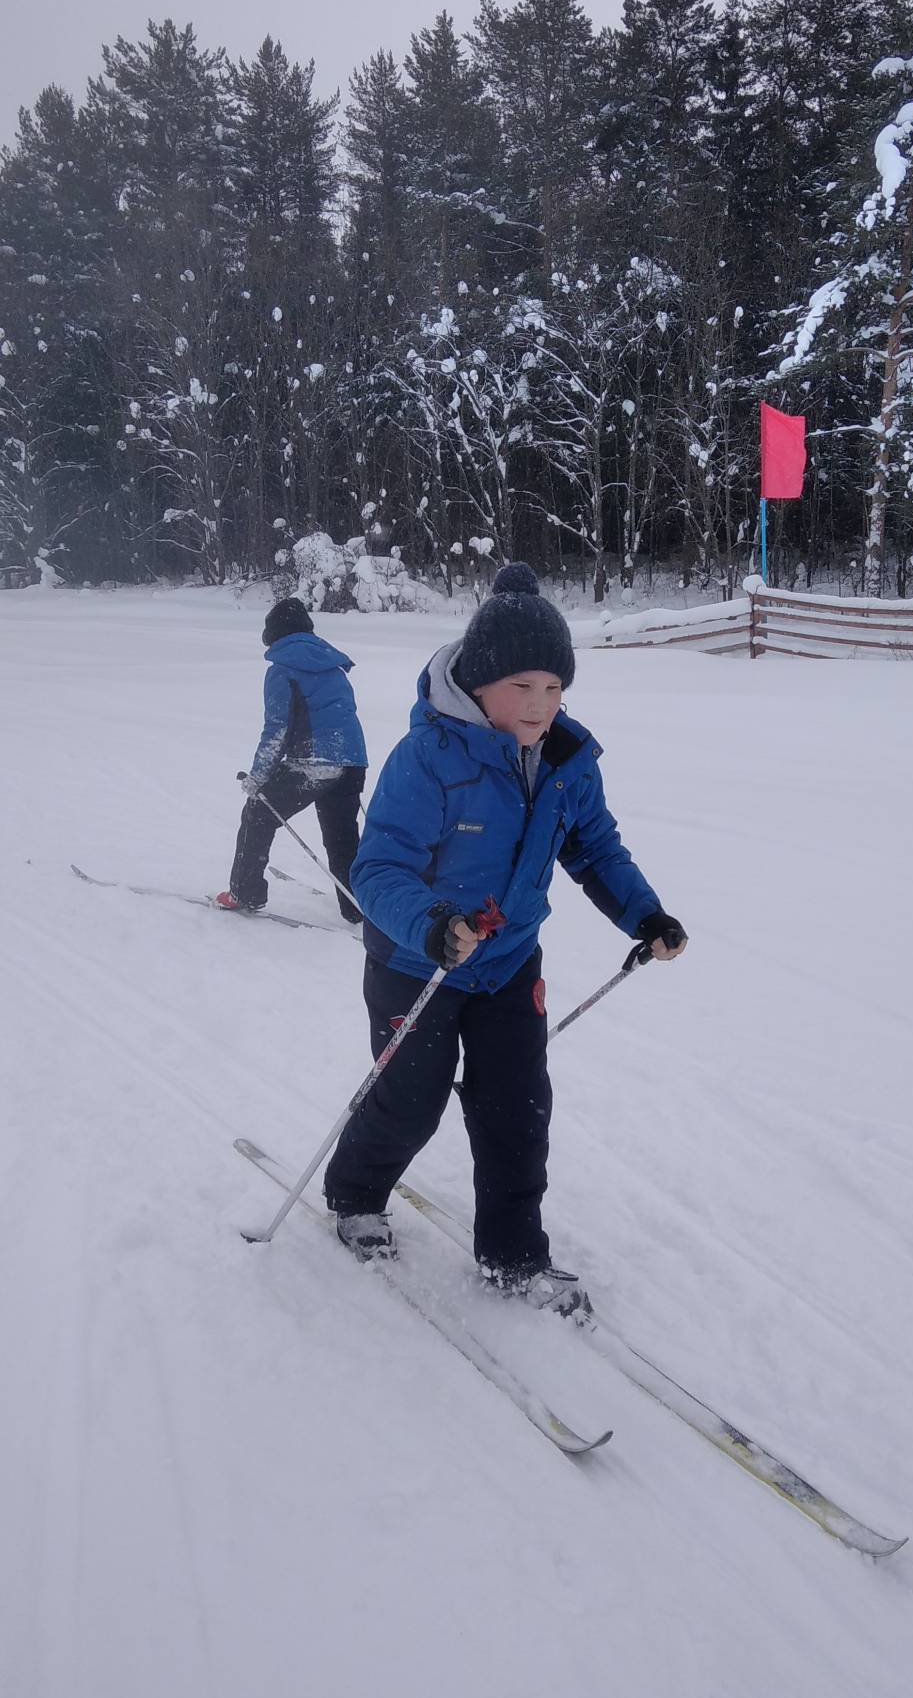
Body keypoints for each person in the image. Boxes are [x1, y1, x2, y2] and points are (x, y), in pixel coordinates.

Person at [322, 562, 687, 1315]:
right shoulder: (428, 758)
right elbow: (380, 864)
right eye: (522, 687)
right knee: (410, 1102)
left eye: (554, 689)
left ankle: (516, 1254)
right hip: (416, 961)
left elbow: (596, 850)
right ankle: (357, 1194)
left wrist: (644, 916)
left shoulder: (567, 764)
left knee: (517, 1108)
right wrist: (430, 925)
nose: (540, 705)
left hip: (510, 963)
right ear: (479, 682)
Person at [216, 597, 367, 925]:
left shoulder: (282, 670)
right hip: (353, 760)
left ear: (274, 636)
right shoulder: (333, 665)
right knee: (342, 837)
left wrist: (257, 778)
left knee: (258, 813)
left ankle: (245, 891)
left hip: (314, 761)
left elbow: (277, 729)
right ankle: (358, 907)